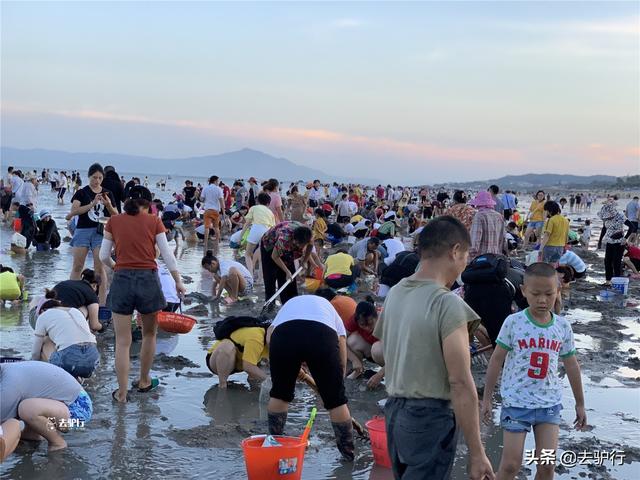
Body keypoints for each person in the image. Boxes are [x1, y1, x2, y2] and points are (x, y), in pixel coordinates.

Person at [374, 216, 494, 479]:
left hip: (394, 413)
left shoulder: (396, 292)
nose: (465, 264)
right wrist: (477, 452)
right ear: (455, 252)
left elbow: (378, 352)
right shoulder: (447, 304)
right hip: (429, 418)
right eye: (466, 256)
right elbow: (461, 382)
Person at [482, 262, 587, 480]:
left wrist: (580, 403)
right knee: (511, 465)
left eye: (549, 294)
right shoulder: (513, 322)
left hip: (549, 405)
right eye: (536, 293)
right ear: (523, 291)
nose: (542, 300)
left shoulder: (562, 326)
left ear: (558, 291)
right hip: (516, 403)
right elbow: (496, 360)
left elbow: (571, 365)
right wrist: (487, 398)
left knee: (547, 465)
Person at [99, 185, 186, 403]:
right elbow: (167, 254)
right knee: (149, 334)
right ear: (149, 204)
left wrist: (117, 267)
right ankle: (144, 380)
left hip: (122, 280)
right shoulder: (154, 221)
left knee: (122, 341)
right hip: (148, 279)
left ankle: (121, 393)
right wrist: (178, 281)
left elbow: (102, 256)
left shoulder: (114, 221)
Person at [266, 294, 354, 461]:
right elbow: (341, 344)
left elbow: (270, 336)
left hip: (284, 335)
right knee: (336, 402)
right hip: (321, 335)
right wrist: (338, 382)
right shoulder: (330, 311)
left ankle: (275, 444)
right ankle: (348, 456)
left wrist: (285, 366)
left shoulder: (288, 305)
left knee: (280, 394)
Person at [0, 361, 93, 452]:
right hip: (65, 401)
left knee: (26, 409)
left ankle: (57, 443)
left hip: (79, 411)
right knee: (24, 407)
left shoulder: (9, 386)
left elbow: (5, 422)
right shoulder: (6, 371)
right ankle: (35, 435)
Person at [67, 163, 117, 305]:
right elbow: (74, 211)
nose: (97, 180)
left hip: (101, 232)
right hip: (82, 230)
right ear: (89, 177)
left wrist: (107, 205)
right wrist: (92, 204)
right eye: (94, 177)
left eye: (100, 178)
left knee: (99, 268)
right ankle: (73, 298)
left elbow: (116, 215)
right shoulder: (82, 192)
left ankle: (101, 303)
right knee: (77, 265)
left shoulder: (108, 193)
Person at [31, 295, 99, 378]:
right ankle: (76, 378)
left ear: (41, 310)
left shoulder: (43, 315)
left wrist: (32, 365)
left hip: (69, 360)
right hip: (92, 359)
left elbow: (35, 353)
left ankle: (58, 377)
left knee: (45, 340)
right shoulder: (75, 311)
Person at [259, 222, 313, 307]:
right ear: (294, 239)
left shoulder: (308, 236)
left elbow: (310, 246)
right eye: (298, 244)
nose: (300, 247)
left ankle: (291, 303)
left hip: (288, 243)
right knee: (270, 275)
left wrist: (304, 261)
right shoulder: (284, 237)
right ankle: (270, 304)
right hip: (269, 243)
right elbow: (275, 256)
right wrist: (287, 271)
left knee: (289, 277)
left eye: (301, 245)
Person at [344, 297, 385, 389]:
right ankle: (358, 370)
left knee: (377, 348)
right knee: (351, 340)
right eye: (362, 325)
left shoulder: (385, 320)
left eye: (370, 324)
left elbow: (399, 354)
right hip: (370, 351)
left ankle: (392, 374)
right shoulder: (355, 319)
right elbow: (340, 339)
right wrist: (355, 360)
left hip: (389, 356)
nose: (367, 328)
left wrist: (379, 375)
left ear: (377, 317)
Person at [240, 192, 276, 277]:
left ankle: (250, 276)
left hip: (256, 229)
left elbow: (247, 223)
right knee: (262, 257)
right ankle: (260, 279)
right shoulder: (270, 212)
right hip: (267, 231)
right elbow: (273, 227)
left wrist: (241, 236)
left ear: (258, 201)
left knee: (247, 254)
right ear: (268, 203)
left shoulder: (254, 208)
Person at [468, 190, 506, 261]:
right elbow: (503, 240)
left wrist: (467, 259)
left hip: (481, 260)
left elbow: (474, 244)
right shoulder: (499, 216)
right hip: (495, 260)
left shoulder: (479, 216)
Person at [599, 200, 626, 286]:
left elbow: (632, 227)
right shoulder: (606, 218)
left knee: (616, 262)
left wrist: (625, 238)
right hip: (609, 242)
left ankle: (617, 283)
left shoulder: (620, 216)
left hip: (619, 243)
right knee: (607, 261)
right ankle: (608, 281)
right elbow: (604, 229)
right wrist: (600, 240)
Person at [200, 175, 225, 248]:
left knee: (206, 227)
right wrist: (224, 212)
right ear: (215, 181)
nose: (218, 182)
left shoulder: (205, 188)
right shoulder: (219, 189)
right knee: (216, 227)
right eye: (218, 181)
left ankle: (205, 242)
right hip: (216, 210)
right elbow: (221, 201)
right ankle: (218, 242)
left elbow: (201, 199)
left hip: (207, 210)